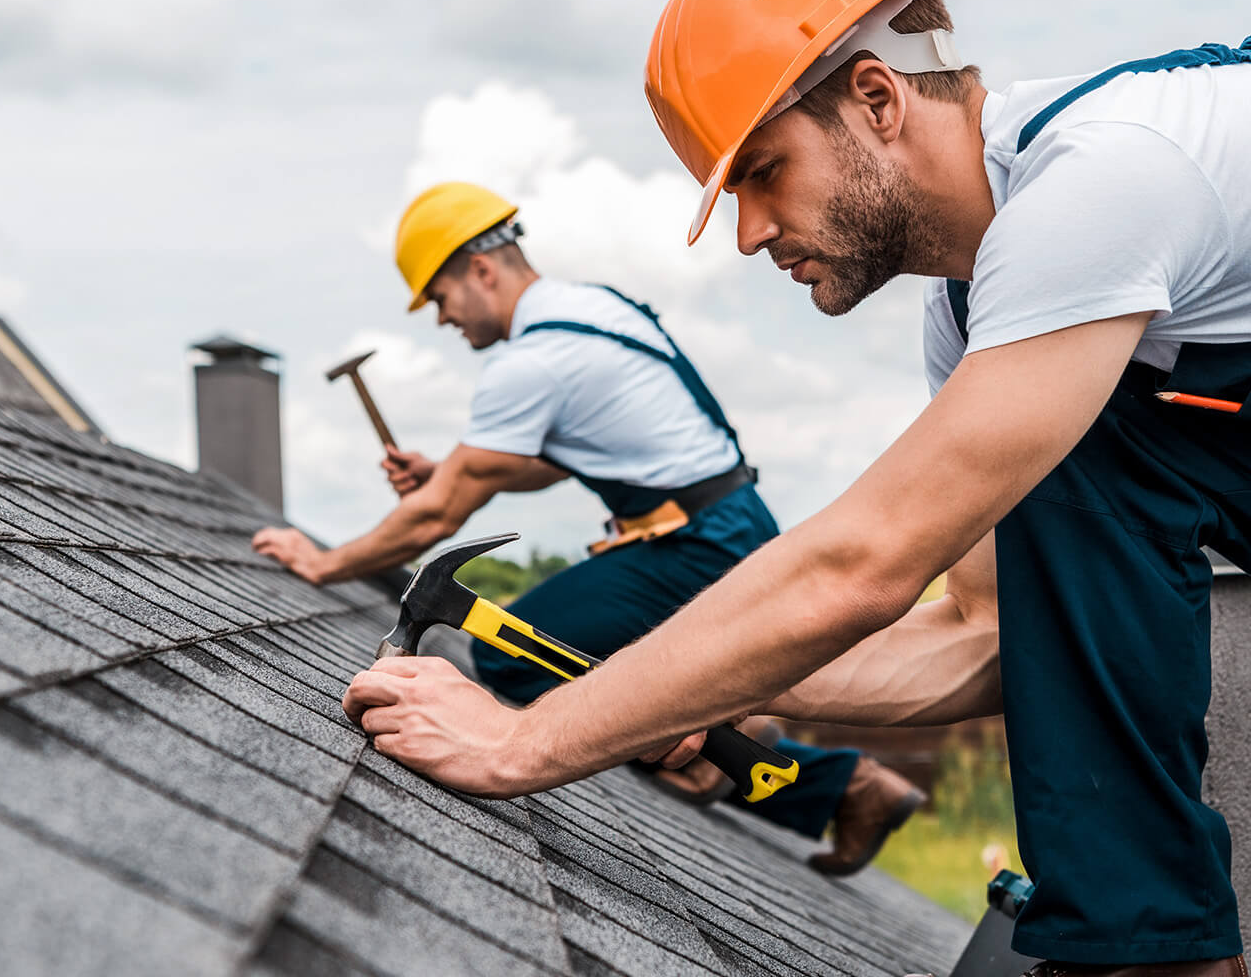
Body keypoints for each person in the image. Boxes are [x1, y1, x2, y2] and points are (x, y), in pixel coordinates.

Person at [336, 0, 1251, 975]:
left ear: (878, 99)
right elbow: (982, 637)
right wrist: (699, 690)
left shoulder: (1103, 183)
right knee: (1085, 453)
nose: (747, 234)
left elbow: (864, 563)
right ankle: (1147, 950)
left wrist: (528, 739)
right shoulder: (989, 320)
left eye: (765, 172)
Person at [252, 180, 924, 874]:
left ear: (481, 270)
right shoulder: (592, 310)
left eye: (441, 299)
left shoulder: (532, 359)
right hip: (722, 524)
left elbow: (438, 514)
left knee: (513, 656)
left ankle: (771, 761)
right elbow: (547, 464)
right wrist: (449, 470)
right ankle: (772, 756)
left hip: (694, 545)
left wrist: (324, 562)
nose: (443, 321)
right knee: (602, 666)